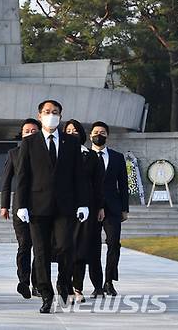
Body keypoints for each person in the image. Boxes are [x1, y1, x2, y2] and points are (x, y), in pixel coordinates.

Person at [15, 100, 89, 313]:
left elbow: (79, 177)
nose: (51, 115)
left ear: (60, 115)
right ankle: (46, 294)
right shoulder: (29, 143)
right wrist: (21, 205)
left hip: (65, 207)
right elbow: (22, 177)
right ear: (39, 116)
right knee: (41, 252)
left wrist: (83, 203)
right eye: (47, 112)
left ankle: (63, 284)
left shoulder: (71, 142)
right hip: (38, 207)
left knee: (66, 247)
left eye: (55, 112)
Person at [63, 120, 105, 303]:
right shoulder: (58, 154)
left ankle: (77, 288)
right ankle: (63, 286)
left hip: (86, 210)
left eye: (75, 131)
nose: (72, 133)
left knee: (80, 250)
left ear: (81, 134)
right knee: (63, 249)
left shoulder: (91, 157)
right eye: (68, 131)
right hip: (63, 209)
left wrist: (100, 207)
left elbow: (98, 185)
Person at [0, 118, 41, 299]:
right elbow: (6, 182)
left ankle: (38, 284)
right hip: (20, 207)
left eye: (34, 131)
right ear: (21, 134)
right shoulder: (13, 153)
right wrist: (4, 205)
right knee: (24, 245)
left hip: (42, 206)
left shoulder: (46, 154)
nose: (30, 134)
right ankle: (23, 281)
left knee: (40, 248)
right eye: (27, 131)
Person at [89, 121, 129, 297]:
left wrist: (124, 209)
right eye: (96, 132)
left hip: (113, 208)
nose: (99, 134)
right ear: (90, 135)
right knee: (93, 247)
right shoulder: (84, 156)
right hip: (90, 209)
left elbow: (123, 183)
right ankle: (97, 285)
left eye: (103, 132)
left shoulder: (117, 157)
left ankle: (109, 281)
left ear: (107, 136)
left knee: (114, 244)